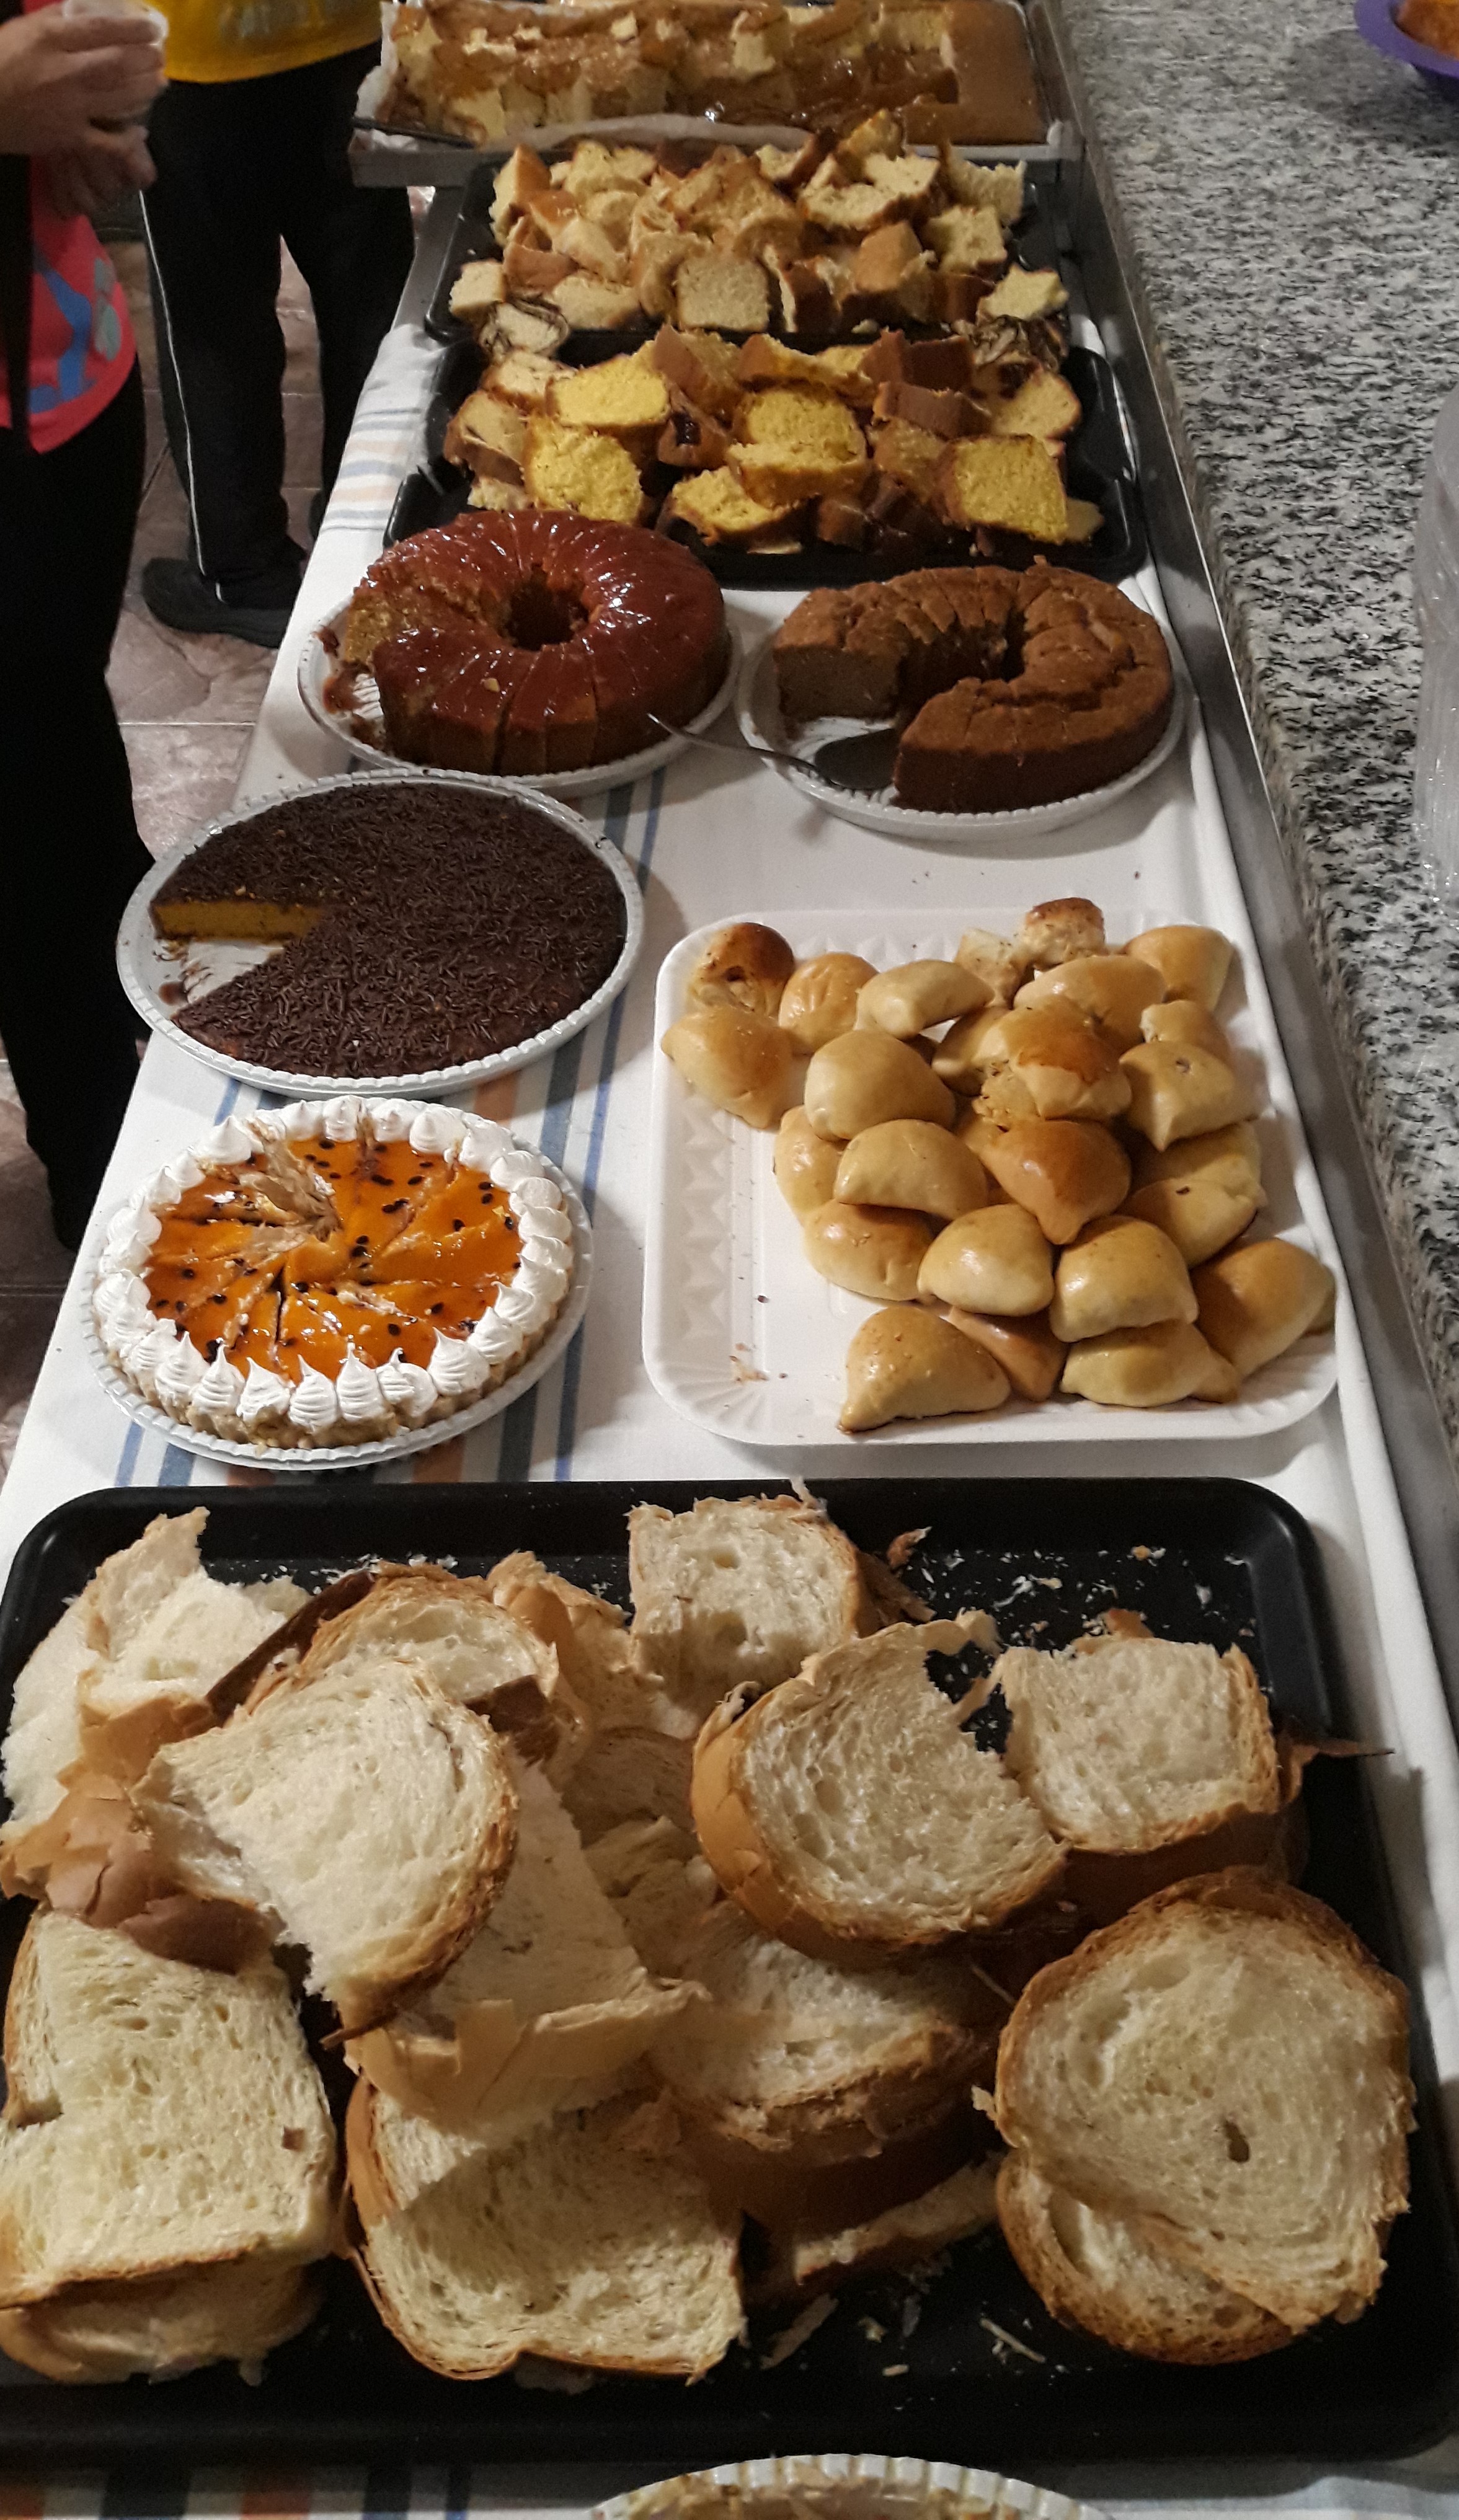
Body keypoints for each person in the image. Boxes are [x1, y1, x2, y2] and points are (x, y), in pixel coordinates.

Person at [0, 0, 164, 1249]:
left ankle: (122, 1082)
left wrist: (60, 118)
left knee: (57, 763)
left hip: (64, 375)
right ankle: (102, 1168)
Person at [140, 0, 415, 650]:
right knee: (370, 303)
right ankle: (371, 529)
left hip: (200, 56)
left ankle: (245, 572)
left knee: (214, 327)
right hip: (340, 40)